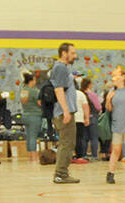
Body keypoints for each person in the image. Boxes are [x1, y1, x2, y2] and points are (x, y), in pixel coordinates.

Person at [48, 43, 79, 183]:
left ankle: (62, 172)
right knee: (66, 142)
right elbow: (58, 89)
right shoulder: (60, 67)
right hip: (63, 112)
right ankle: (61, 173)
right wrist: (66, 111)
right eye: (72, 53)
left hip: (65, 111)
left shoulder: (62, 68)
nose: (75, 56)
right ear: (64, 53)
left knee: (68, 142)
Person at [18, 72, 43, 164]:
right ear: (31, 81)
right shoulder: (34, 91)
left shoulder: (23, 90)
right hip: (34, 115)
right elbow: (40, 103)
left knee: (29, 136)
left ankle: (30, 157)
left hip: (25, 115)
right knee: (33, 137)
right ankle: (34, 157)